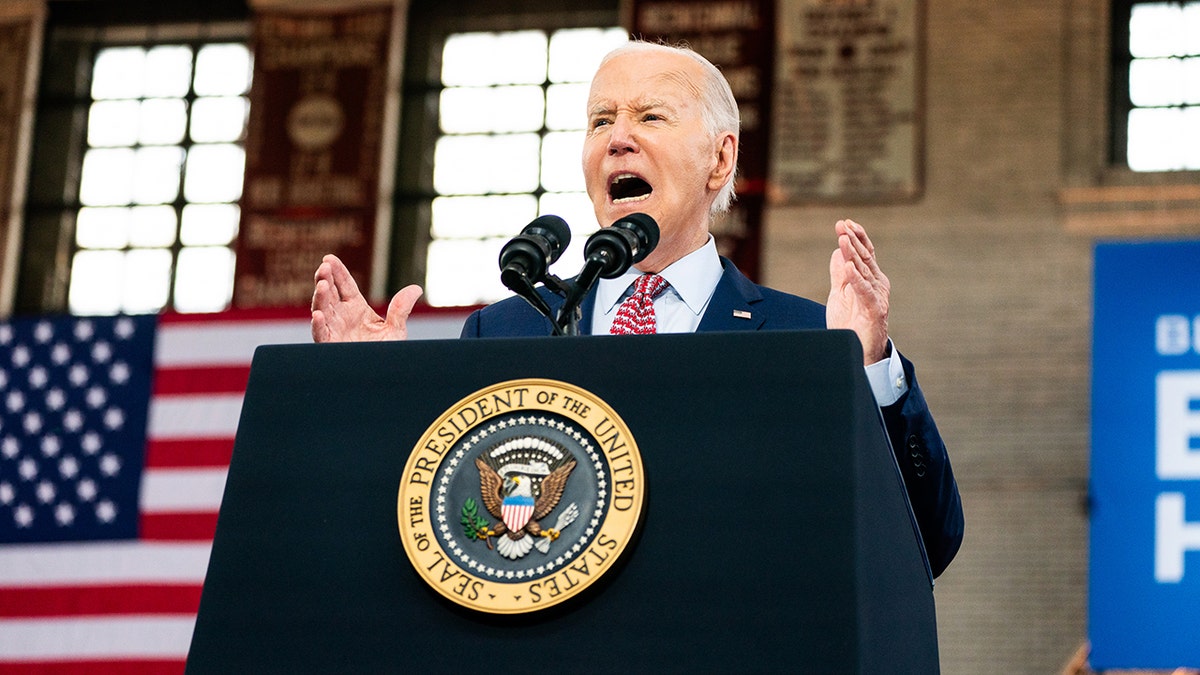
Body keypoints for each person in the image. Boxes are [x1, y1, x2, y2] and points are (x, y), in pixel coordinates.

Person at [311, 40, 963, 576]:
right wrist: (373, 400)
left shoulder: (807, 337)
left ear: (720, 157)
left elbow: (924, 540)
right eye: (600, 121)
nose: (618, 138)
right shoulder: (506, 329)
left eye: (650, 117)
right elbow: (442, 537)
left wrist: (872, 366)